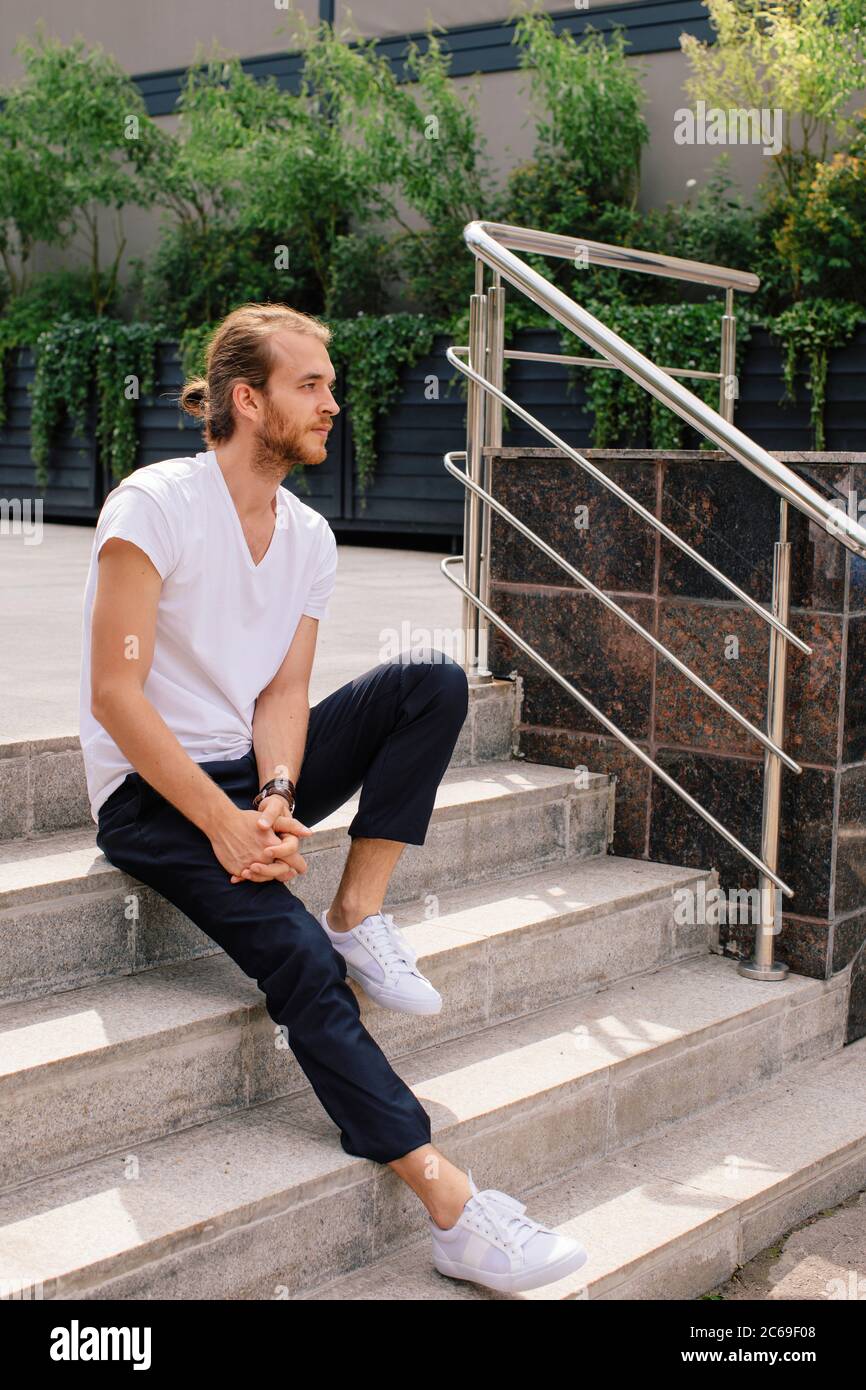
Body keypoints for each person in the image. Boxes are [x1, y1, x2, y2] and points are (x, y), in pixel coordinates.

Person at [79, 301, 588, 1296]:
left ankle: (359, 910)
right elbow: (114, 693)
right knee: (300, 962)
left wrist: (273, 793)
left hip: (244, 773)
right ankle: (452, 1207)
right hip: (151, 792)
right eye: (310, 385)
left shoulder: (307, 533)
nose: (332, 404)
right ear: (245, 397)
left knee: (430, 680)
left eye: (329, 384)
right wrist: (221, 821)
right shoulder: (154, 505)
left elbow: (280, 691)